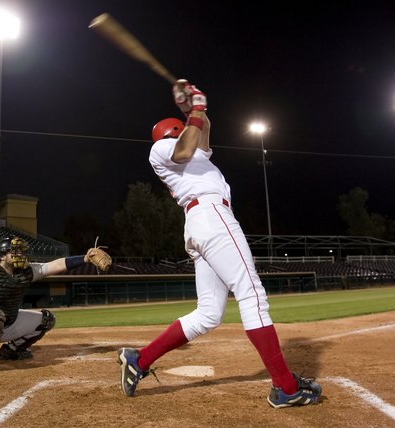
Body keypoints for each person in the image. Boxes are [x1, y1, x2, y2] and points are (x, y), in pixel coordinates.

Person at [117, 80, 322, 408]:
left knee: (209, 314)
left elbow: (202, 135)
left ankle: (139, 360)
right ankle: (285, 387)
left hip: (202, 223)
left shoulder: (196, 155)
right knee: (252, 294)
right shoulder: (163, 150)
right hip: (211, 216)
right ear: (175, 132)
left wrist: (196, 109)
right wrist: (194, 111)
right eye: (184, 128)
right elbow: (184, 147)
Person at [0, 236, 108, 376]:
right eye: (15, 252)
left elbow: (53, 266)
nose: (21, 255)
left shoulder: (26, 271)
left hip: (6, 319)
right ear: (2, 255)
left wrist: (84, 259)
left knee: (46, 320)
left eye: (22, 251)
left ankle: (10, 351)